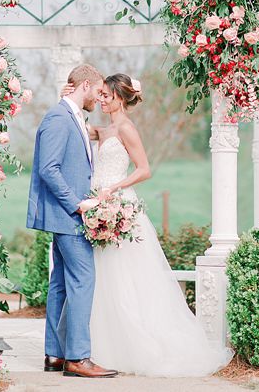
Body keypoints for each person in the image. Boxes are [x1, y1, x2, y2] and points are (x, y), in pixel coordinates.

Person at [62, 74, 233, 376]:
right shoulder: (105, 130)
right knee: (103, 279)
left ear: (119, 97)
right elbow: (75, 126)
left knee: (129, 278)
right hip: (100, 205)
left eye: (105, 95)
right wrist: (67, 97)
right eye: (99, 95)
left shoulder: (126, 129)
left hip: (120, 205)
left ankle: (140, 344)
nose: (100, 99)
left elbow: (144, 169)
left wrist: (114, 189)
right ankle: (101, 348)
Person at [26, 64, 118, 378]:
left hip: (67, 216)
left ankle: (55, 354)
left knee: (61, 285)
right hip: (69, 215)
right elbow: (48, 169)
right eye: (98, 90)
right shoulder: (57, 118)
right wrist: (77, 204)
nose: (99, 96)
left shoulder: (72, 116)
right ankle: (78, 358)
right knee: (82, 281)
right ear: (86, 85)